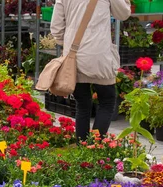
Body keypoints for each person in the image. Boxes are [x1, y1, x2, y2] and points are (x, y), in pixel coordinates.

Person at [51, 0, 130, 140]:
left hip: (74, 57)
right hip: (99, 56)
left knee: (82, 104)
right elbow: (123, 13)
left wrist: (67, 43)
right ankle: (96, 146)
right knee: (107, 101)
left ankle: (82, 147)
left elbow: (56, 28)